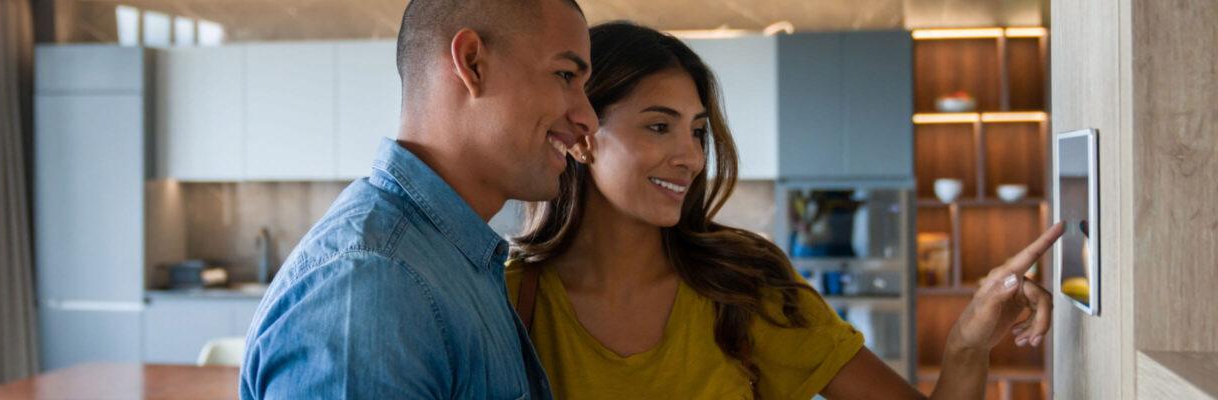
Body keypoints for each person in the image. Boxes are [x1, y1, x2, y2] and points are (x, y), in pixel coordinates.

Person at [506, 21, 1064, 399]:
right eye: (659, 126)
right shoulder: (511, 299)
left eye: (698, 132)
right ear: (583, 136)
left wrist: (967, 340)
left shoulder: (742, 282)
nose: (691, 156)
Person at [238, 0, 596, 398]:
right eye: (565, 75)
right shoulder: (372, 287)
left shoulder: (445, 261)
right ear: (472, 63)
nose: (588, 119)